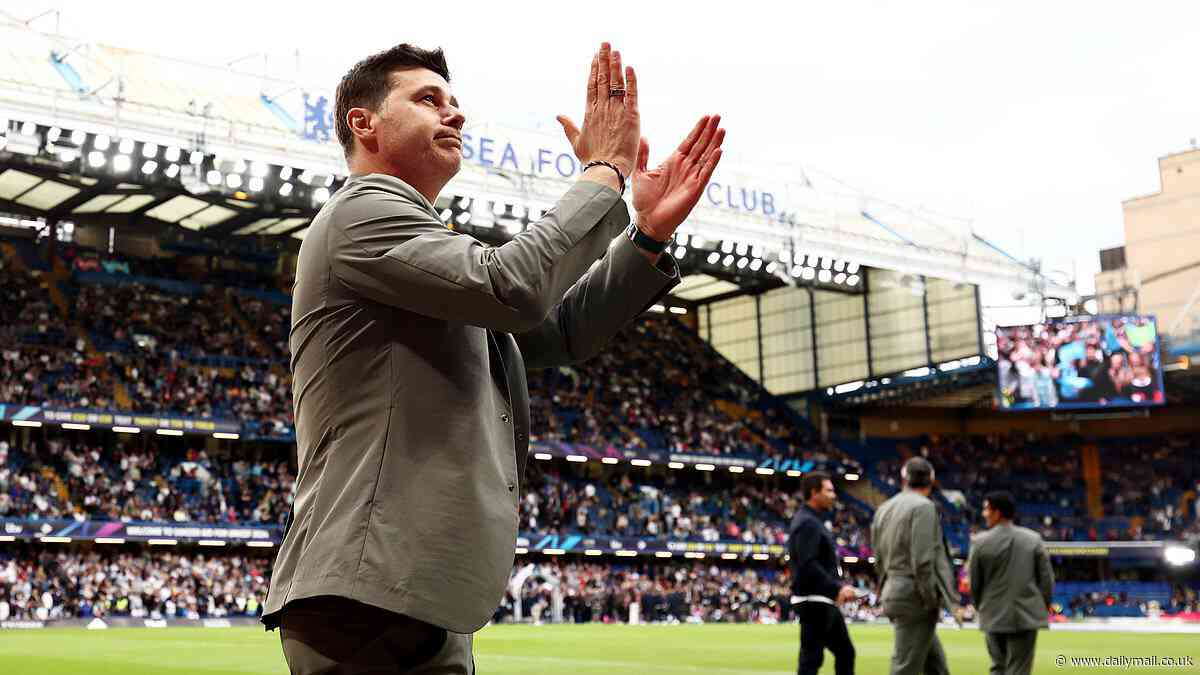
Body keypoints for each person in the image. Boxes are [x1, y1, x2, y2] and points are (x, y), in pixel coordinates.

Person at [260, 41, 725, 673]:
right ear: (361, 122)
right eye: (428, 99)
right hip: (367, 591)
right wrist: (605, 174)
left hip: (407, 587)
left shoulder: (426, 244)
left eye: (455, 103)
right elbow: (514, 287)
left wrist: (645, 236)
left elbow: (558, 331)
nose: (454, 115)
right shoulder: (361, 213)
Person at [870, 457, 962, 675]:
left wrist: (884, 589)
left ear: (904, 479)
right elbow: (922, 560)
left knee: (936, 666)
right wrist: (930, 597)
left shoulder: (884, 508)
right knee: (905, 667)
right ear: (932, 480)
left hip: (894, 589)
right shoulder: (924, 507)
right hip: (915, 596)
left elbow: (878, 557)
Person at [967, 492, 1054, 675]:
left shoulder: (980, 542)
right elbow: (1046, 580)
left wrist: (980, 606)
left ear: (997, 513)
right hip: (1025, 615)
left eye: (986, 509)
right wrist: (1041, 605)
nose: (984, 514)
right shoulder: (1033, 539)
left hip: (992, 614)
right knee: (1019, 669)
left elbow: (974, 583)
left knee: (997, 667)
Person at [788, 471, 858, 675]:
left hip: (822, 599)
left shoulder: (813, 520)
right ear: (814, 492)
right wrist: (837, 587)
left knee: (844, 652)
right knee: (811, 660)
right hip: (814, 600)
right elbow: (807, 564)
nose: (833, 495)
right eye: (829, 490)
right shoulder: (807, 523)